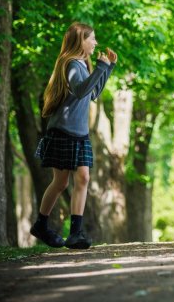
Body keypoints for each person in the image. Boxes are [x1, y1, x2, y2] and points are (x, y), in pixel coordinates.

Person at [30, 22, 117, 249]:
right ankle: (41, 224)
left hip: (79, 132)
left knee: (83, 179)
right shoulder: (69, 64)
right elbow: (80, 90)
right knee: (60, 183)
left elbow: (93, 93)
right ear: (81, 40)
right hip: (64, 130)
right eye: (93, 39)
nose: (96, 43)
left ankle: (75, 233)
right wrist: (99, 67)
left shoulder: (82, 64)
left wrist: (107, 68)